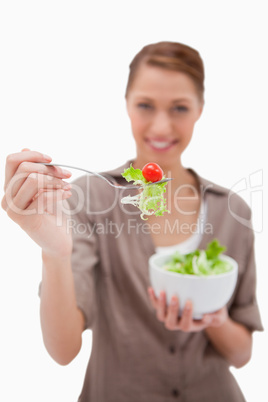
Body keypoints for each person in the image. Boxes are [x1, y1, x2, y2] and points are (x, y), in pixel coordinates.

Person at [2, 41, 263, 402]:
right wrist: (54, 252)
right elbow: (63, 351)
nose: (161, 125)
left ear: (200, 110)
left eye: (179, 108)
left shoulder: (232, 211)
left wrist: (213, 316)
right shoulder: (89, 199)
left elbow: (242, 354)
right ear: (126, 103)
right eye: (145, 105)